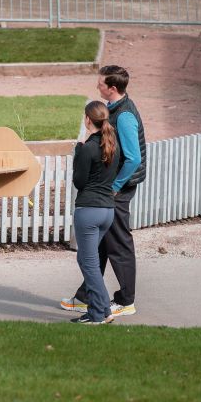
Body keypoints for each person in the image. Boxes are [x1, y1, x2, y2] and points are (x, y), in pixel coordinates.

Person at [61, 65, 146, 318]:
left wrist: (114, 187)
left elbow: (133, 159)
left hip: (118, 189)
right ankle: (85, 296)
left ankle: (126, 299)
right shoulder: (112, 110)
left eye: (101, 83)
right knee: (98, 244)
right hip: (109, 190)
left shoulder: (125, 116)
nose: (97, 86)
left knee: (118, 244)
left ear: (112, 88)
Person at [69, 100, 120, 324]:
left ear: (88, 119)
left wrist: (78, 151)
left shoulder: (88, 147)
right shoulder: (112, 145)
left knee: (89, 263)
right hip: (107, 211)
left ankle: (100, 312)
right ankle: (99, 309)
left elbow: (79, 181)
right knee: (85, 259)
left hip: (88, 210)